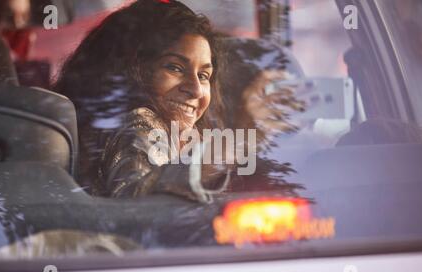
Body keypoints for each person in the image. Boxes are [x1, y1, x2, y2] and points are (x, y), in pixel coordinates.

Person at [55, 0, 303, 201]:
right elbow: (139, 203)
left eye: (204, 75)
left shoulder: (186, 137)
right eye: (174, 68)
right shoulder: (141, 120)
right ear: (131, 70)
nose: (195, 89)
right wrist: (239, 138)